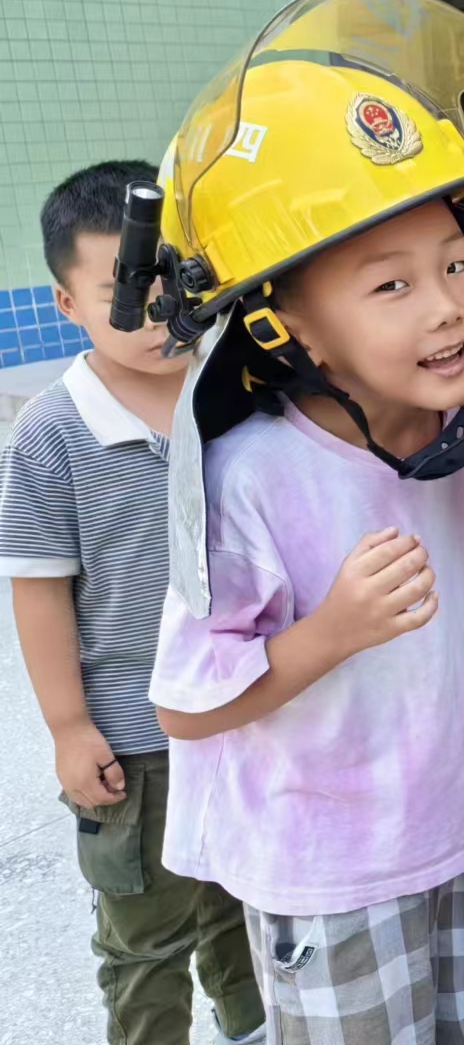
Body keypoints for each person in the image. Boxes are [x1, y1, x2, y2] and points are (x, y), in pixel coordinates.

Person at [144, 0, 464, 1042]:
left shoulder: (450, 438)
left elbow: (461, 574)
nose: (447, 303)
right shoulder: (253, 476)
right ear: (288, 322)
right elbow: (185, 706)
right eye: (388, 285)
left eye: (454, 263)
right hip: (334, 868)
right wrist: (329, 632)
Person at [0, 161, 264, 1044]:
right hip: (136, 742)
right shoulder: (53, 429)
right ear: (67, 303)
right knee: (147, 938)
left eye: (166, 281)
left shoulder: (237, 390)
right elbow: (37, 591)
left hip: (248, 709)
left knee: (248, 902)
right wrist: (71, 729)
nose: (154, 311)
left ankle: (252, 1025)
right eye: (120, 289)